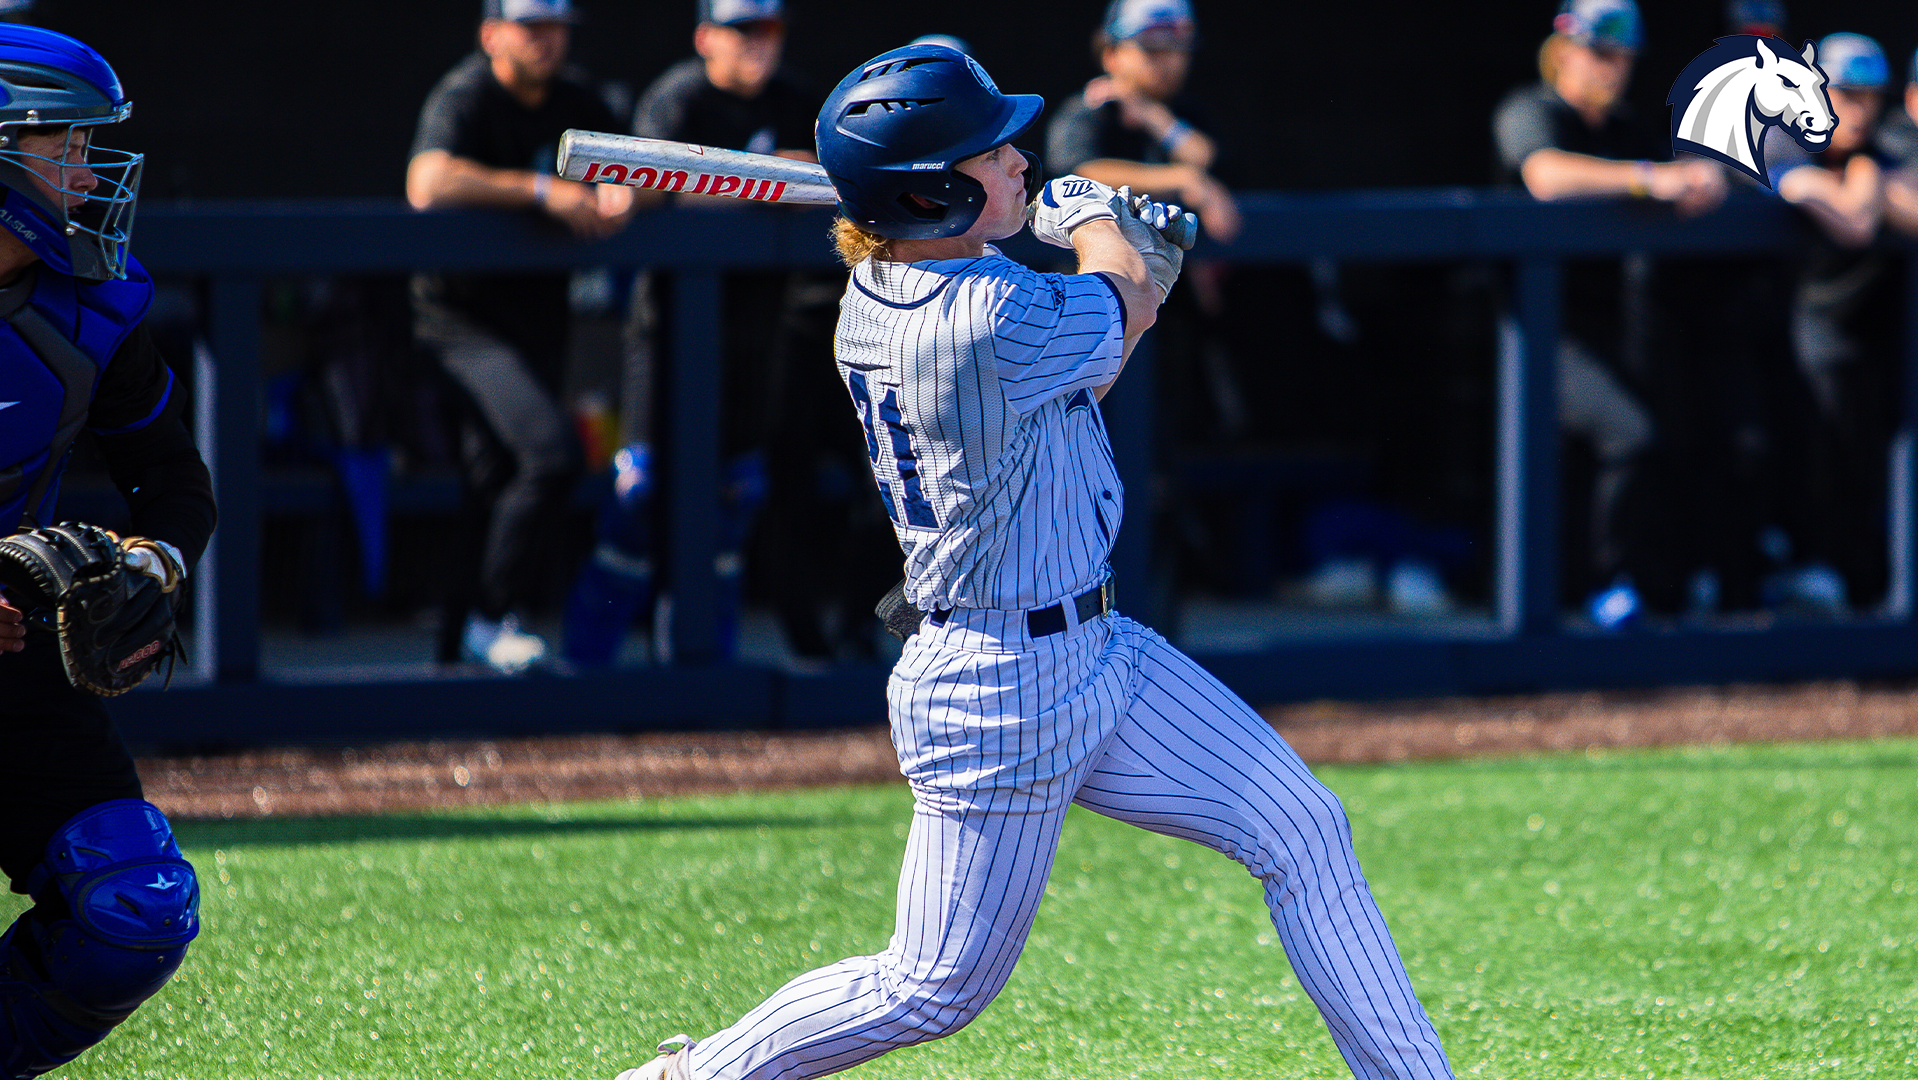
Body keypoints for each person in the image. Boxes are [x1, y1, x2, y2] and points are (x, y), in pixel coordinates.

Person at [610, 42, 1455, 1080]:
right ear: (929, 191)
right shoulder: (976, 315)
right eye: (989, 152)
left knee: (1305, 829)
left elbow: (1081, 375)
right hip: (996, 690)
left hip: (1096, 646)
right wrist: (1092, 212)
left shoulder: (911, 285)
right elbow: (1115, 302)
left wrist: (1128, 270)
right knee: (929, 987)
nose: (1015, 159)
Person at [0, 24, 213, 1076]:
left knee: (135, 905)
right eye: (63, 146)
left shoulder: (95, 301)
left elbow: (177, 486)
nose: (88, 173)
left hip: (18, 665)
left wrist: (148, 566)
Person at [565, 0, 870, 668]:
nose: (757, 44)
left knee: (735, 493)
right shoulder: (678, 96)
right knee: (639, 494)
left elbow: (839, 181)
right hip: (668, 329)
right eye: (741, 31)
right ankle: (584, 668)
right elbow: (642, 185)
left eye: (768, 30)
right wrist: (762, 179)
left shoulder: (796, 101)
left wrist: (772, 175)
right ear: (706, 37)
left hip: (755, 331)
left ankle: (702, 669)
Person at [407, 0, 636, 673]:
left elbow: (636, 171)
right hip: (459, 317)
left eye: (557, 27)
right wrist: (542, 190)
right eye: (531, 27)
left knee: (492, 475)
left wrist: (623, 190)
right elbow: (427, 182)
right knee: (549, 454)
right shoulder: (467, 92)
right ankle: (490, 616)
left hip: (538, 313)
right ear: (492, 34)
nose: (546, 40)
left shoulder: (579, 97)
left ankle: (455, 654)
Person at [1492, 0, 1725, 625]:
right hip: (1535, 330)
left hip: (1605, 322)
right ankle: (1599, 586)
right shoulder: (1529, 110)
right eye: (1600, 52)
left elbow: (1676, 170)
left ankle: (1627, 586)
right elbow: (1545, 175)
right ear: (1564, 50)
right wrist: (1650, 180)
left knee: (1669, 432)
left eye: (1622, 57)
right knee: (1630, 435)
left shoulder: (1621, 128)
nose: (1613, 68)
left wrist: (1700, 179)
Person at [1762, 32, 1899, 613]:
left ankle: (1840, 570)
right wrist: (1869, 178)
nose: (1859, 111)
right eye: (1846, 95)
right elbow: (1853, 220)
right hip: (1749, 339)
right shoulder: (1777, 139)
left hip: (1845, 341)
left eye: (1870, 97)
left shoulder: (1879, 152)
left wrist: (1870, 172)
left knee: (1857, 450)